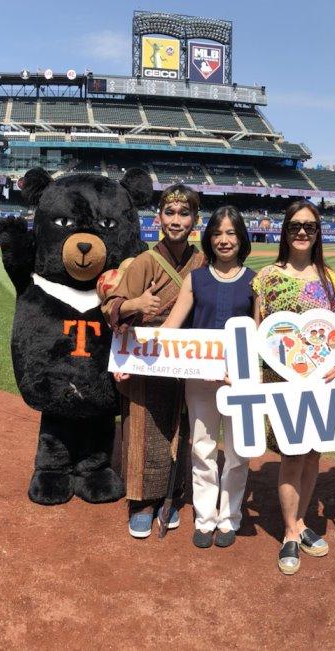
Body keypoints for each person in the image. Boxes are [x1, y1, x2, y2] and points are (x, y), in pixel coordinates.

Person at [105, 185, 205, 538]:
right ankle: (141, 501)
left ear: (195, 219)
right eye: (170, 213)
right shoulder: (145, 261)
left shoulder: (201, 261)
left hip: (185, 360)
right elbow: (111, 306)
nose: (177, 220)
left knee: (180, 428)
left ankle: (172, 496)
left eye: (184, 213)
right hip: (145, 360)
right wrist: (135, 306)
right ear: (159, 218)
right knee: (144, 429)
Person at [251, 200, 335, 575]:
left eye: (309, 226)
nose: (302, 232)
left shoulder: (331, 279)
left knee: (312, 455)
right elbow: (258, 332)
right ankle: (290, 531)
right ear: (284, 232)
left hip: (320, 381)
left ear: (318, 232)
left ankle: (302, 521)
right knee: (292, 454)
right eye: (294, 226)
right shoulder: (265, 277)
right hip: (281, 381)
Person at [159, 206, 255, 550]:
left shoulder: (253, 280)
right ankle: (204, 518)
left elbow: (258, 336)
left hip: (240, 381)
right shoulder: (196, 277)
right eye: (217, 233)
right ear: (209, 238)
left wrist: (245, 371)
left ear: (241, 237)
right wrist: (133, 353)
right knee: (202, 449)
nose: (224, 240)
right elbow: (171, 328)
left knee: (238, 452)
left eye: (231, 233)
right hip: (200, 380)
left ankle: (230, 517)